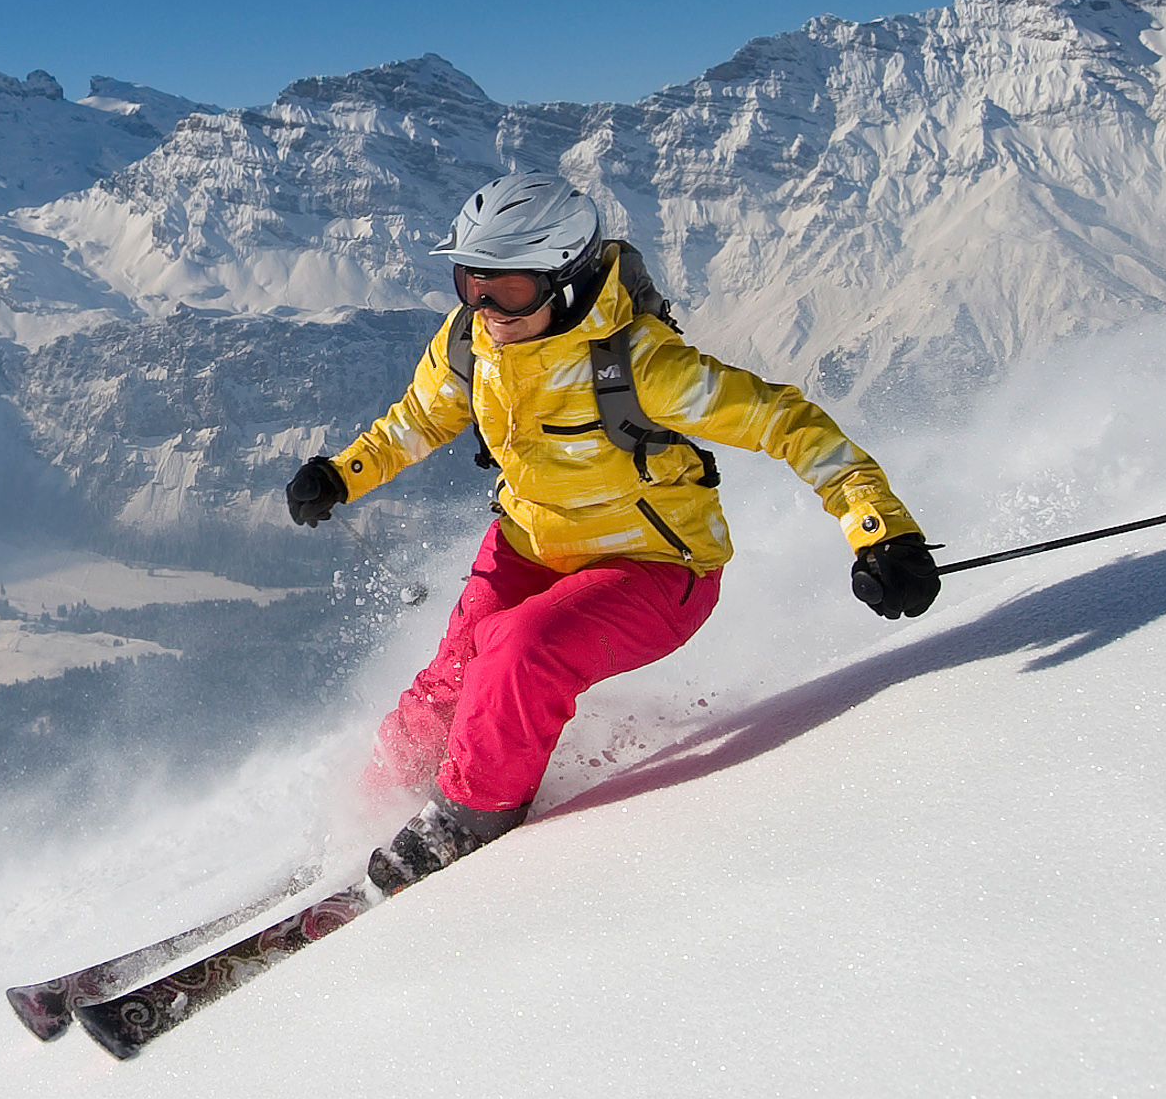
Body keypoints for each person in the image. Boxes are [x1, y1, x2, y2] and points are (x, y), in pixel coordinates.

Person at [285, 177, 939, 888]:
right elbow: (418, 419)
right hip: (532, 543)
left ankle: (465, 822)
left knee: (518, 652)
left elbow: (788, 422)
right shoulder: (470, 346)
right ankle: (367, 821)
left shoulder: (640, 365)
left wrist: (879, 529)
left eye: (505, 289)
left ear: (563, 282)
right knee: (443, 692)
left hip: (655, 566)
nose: (482, 305)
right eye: (468, 279)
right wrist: (343, 473)